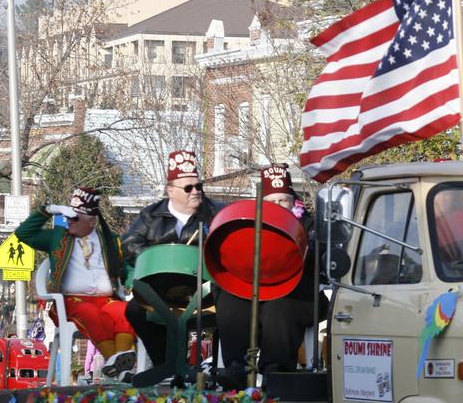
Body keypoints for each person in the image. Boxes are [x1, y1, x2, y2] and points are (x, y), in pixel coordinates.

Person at [213, 163, 325, 389]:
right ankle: (237, 366)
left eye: (283, 200)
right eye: (271, 202)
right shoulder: (248, 226)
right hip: (255, 291)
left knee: (280, 306)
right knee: (231, 299)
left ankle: (276, 369)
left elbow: (320, 258)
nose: (278, 206)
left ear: (293, 201)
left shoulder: (309, 224)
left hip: (300, 294)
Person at [15, 187, 136, 378]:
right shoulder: (57, 237)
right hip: (70, 302)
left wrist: (134, 282)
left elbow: (127, 266)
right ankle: (115, 361)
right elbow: (23, 234)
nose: (69, 220)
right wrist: (51, 209)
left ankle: (120, 361)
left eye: (75, 217)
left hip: (107, 300)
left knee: (127, 310)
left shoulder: (109, 240)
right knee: (90, 313)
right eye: (69, 215)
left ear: (91, 221)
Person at [122, 151, 224, 366]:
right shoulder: (151, 215)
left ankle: (219, 370)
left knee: (231, 309)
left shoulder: (216, 212)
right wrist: (163, 260)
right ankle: (165, 366)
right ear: (170, 190)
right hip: (161, 293)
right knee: (135, 310)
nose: (195, 192)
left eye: (199, 186)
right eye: (188, 188)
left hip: (205, 294)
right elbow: (130, 243)